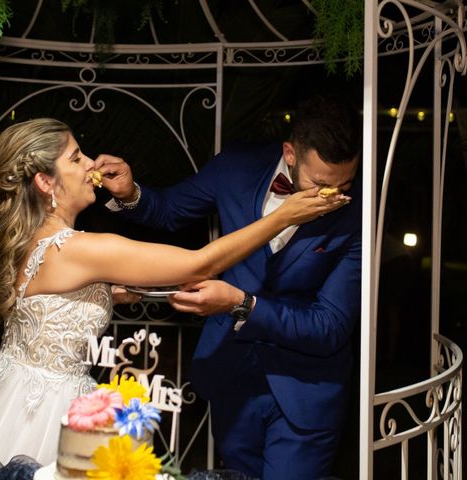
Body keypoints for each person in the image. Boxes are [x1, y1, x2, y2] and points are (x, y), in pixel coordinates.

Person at [0, 118, 348, 480]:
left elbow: (47, 305)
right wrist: (284, 217)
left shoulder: (34, 240)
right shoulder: (80, 248)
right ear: (46, 182)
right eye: (76, 158)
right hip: (51, 416)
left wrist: (103, 294)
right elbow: (198, 264)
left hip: (8, 397)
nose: (90, 165)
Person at [96, 94, 362, 479]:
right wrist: (131, 192)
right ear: (290, 153)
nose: (332, 197)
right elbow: (171, 210)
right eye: (321, 184)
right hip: (231, 375)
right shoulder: (238, 166)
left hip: (307, 390)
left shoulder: (356, 211)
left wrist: (243, 305)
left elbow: (331, 325)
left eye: (345, 184)